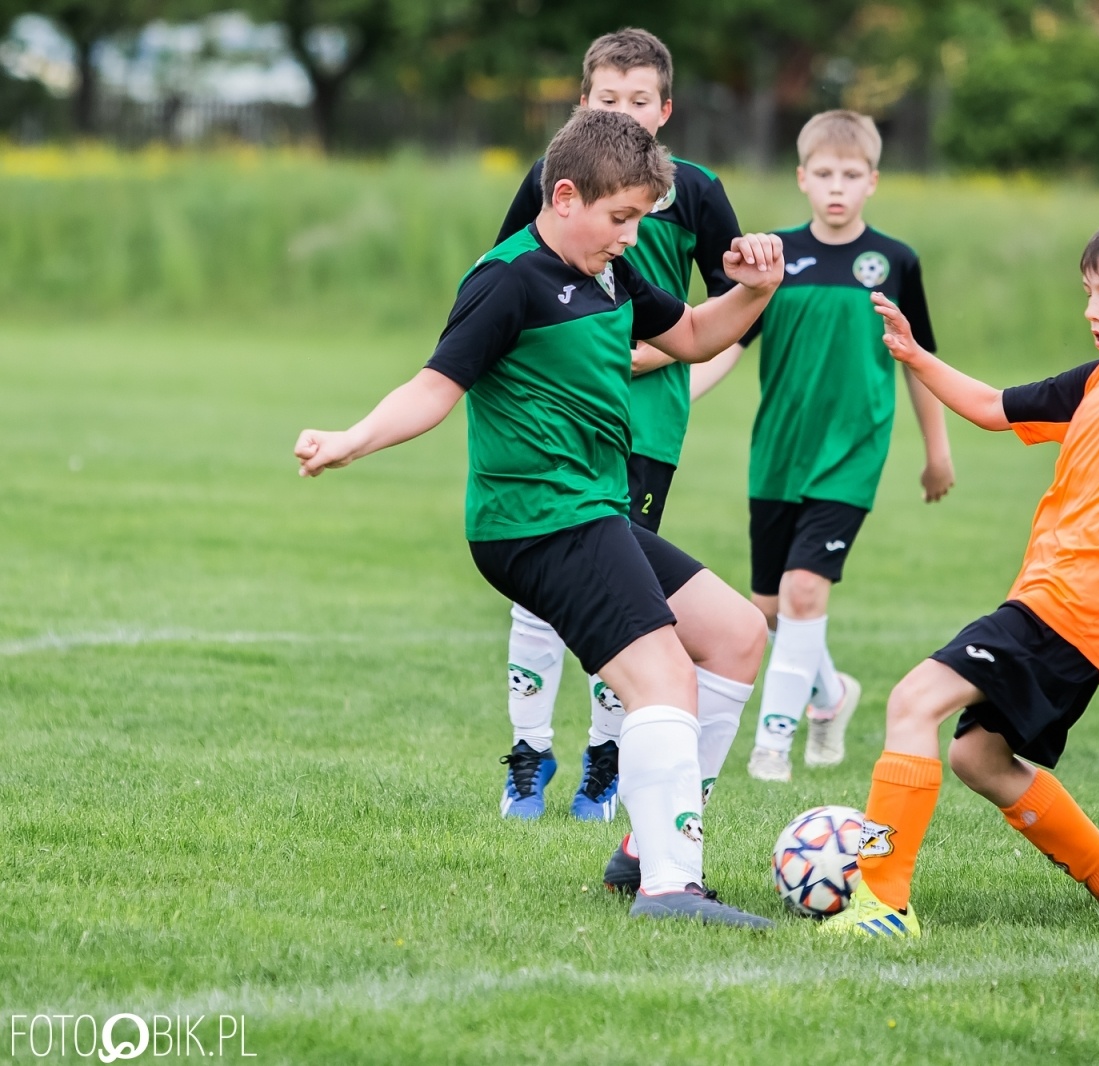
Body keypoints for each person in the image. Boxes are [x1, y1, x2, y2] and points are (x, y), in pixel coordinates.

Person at [294, 108, 780, 927]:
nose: (631, 237)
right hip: (535, 520)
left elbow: (695, 336)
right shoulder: (506, 278)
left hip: (589, 510)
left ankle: (642, 850)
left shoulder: (608, 273)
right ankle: (670, 888)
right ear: (563, 196)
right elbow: (432, 387)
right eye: (620, 218)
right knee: (661, 676)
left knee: (736, 634)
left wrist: (757, 288)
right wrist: (352, 439)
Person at [822, 211, 1099, 937]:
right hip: (1056, 601)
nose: (1092, 309)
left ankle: (882, 906)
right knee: (978, 757)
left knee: (914, 701)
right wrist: (915, 356)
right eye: (1089, 292)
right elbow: (992, 407)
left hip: (1079, 600)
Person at [492, 28, 749, 823]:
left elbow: (731, 319)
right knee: (542, 597)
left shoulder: (697, 192)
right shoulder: (552, 181)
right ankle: (528, 753)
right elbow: (507, 287)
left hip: (645, 432)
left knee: (628, 602)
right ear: (583, 104)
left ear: (666, 109)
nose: (627, 114)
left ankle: (606, 762)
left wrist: (676, 380)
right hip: (559, 421)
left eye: (641, 101)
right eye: (610, 100)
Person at [723, 110, 954, 784]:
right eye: (824, 173)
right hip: (777, 453)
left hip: (852, 452)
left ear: (872, 181)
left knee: (800, 592)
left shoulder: (895, 263)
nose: (836, 186)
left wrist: (937, 452)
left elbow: (920, 362)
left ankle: (773, 744)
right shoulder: (775, 258)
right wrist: (669, 383)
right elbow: (723, 347)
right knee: (768, 610)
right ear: (802, 177)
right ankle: (831, 694)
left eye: (851, 175)